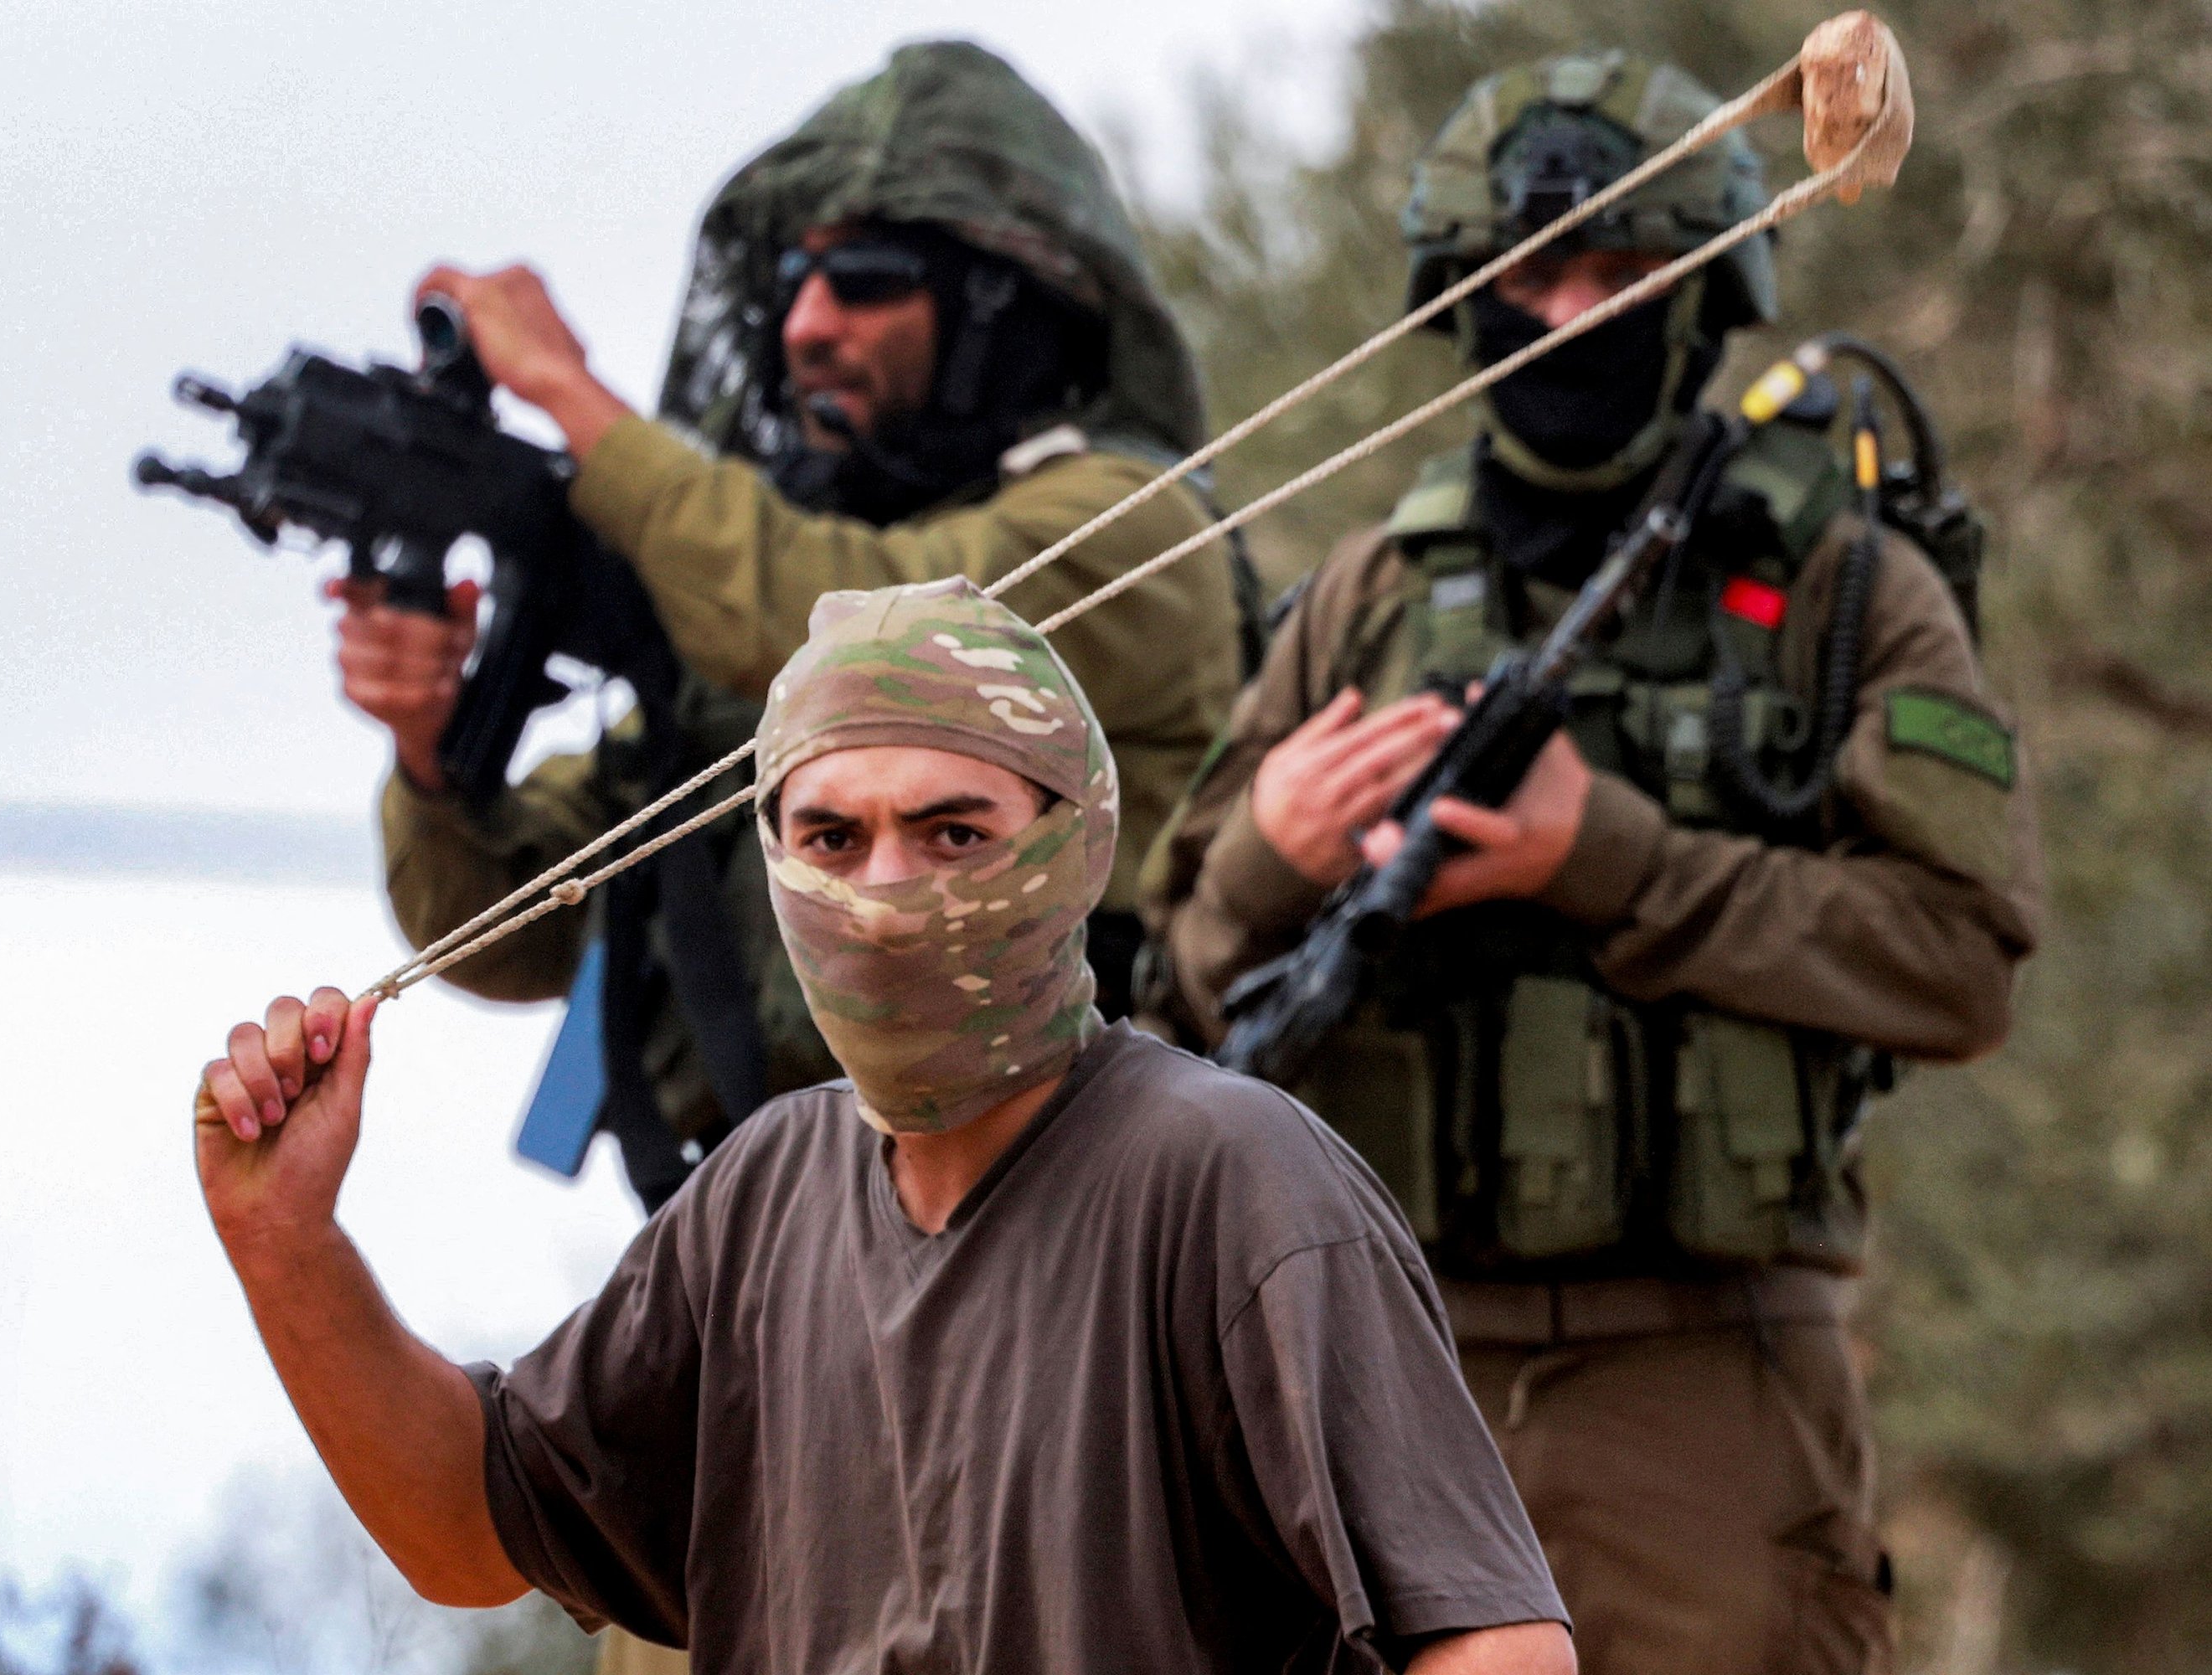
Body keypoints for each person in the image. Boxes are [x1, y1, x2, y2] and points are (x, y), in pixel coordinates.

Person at [197, 578, 1574, 1675]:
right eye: (833, 840)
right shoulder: (762, 1197)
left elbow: (1494, 1647)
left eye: (954, 834)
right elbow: (468, 1531)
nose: (887, 894)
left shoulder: (1230, 1176)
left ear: (1078, 844)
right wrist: (285, 1242)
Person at [1142, 49, 2044, 1675]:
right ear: (1459, 297)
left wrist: (1610, 862)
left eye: (1621, 269)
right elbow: (1170, 1013)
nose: (1571, 315)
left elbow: (1963, 963)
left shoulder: (1842, 587)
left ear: (1708, 293)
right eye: (1528, 275)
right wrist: (1267, 862)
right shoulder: (1363, 600)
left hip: (1706, 1387)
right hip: (1376, 1376)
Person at [334, 40, 1250, 1214]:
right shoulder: (777, 607)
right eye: (793, 286)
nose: (808, 325)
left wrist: (568, 392)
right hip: (775, 1239)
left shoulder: (1125, 523)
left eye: (864, 279)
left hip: (1063, 1216)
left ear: (998, 307)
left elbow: (859, 631)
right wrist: (429, 755)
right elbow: (506, 931)